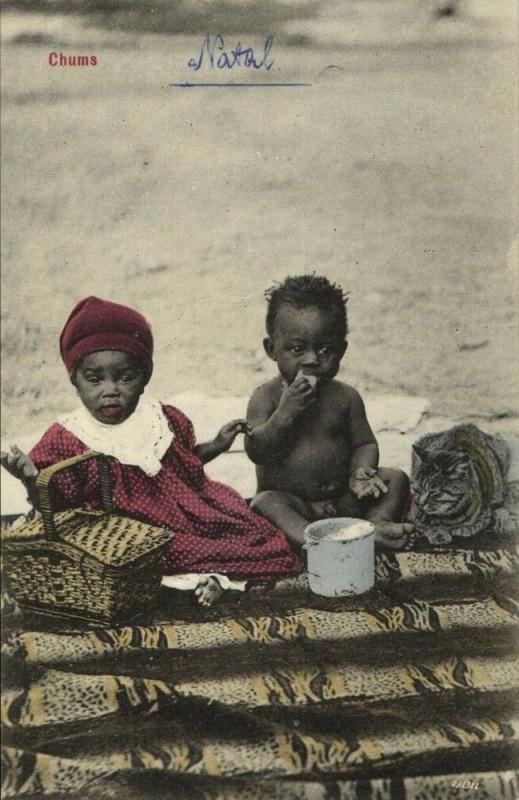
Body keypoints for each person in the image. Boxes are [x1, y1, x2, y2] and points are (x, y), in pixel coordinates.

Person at [1, 296, 301, 606]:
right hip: (124, 530)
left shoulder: (160, 418)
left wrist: (216, 445)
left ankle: (219, 575)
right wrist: (30, 477)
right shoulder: (69, 437)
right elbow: (56, 501)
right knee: (155, 555)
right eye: (95, 379)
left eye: (125, 377)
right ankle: (208, 578)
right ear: (74, 380)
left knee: (250, 531)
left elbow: (183, 464)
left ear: (144, 377)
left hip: (186, 508)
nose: (110, 389)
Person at [245, 275, 414, 550]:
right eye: (297, 349)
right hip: (294, 504)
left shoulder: (345, 397)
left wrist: (362, 472)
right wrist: (285, 414)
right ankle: (313, 540)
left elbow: (364, 443)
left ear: (342, 350)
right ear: (271, 349)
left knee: (395, 478)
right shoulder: (265, 398)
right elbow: (256, 449)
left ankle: (376, 524)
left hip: (342, 500)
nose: (312, 359)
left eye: (327, 349)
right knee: (265, 503)